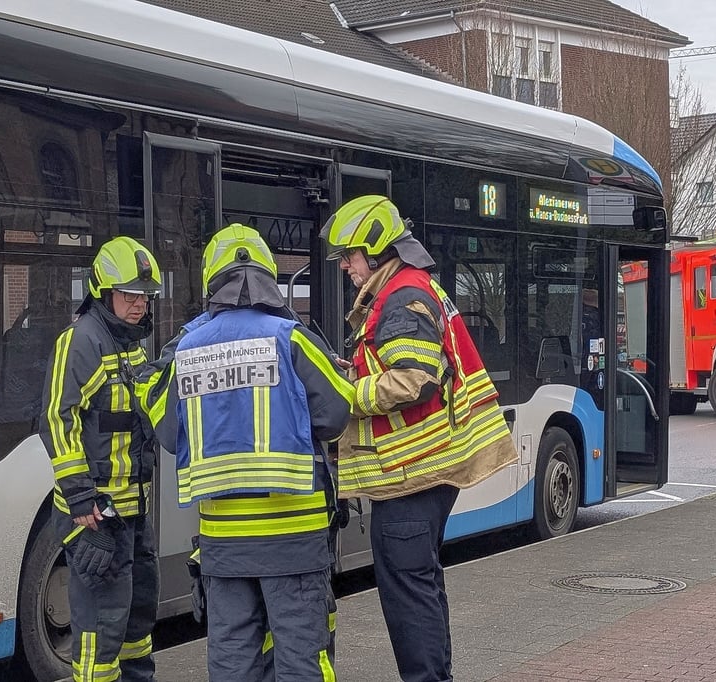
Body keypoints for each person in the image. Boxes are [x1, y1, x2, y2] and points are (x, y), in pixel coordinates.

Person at [321, 195, 517, 682]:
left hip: (414, 476)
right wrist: (363, 370)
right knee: (422, 586)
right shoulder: (411, 287)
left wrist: (350, 392)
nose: (345, 265)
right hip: (426, 472)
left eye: (349, 255)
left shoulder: (400, 296)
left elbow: (415, 377)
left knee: (409, 596)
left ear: (374, 247)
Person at [155, 224, 352, 681]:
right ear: (267, 276)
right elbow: (336, 413)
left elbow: (169, 433)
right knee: (303, 657)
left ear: (212, 281)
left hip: (224, 544)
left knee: (232, 658)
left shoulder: (186, 348)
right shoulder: (292, 337)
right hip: (294, 540)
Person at [39, 235, 162, 682]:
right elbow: (56, 419)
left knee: (137, 623)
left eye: (145, 296)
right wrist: (79, 497)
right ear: (104, 292)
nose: (139, 304)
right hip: (95, 515)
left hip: (132, 513)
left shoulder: (131, 344)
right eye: (129, 294)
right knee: (100, 634)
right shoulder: (81, 341)